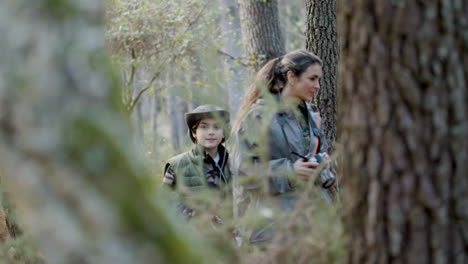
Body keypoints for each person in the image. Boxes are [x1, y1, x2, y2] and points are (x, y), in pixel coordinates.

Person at [231, 50, 337, 243]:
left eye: (319, 80)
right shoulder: (258, 116)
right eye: (312, 79)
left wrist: (321, 165)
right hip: (271, 231)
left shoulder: (313, 116)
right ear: (291, 77)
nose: (317, 86)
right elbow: (243, 172)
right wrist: (290, 171)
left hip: (313, 227)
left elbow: (317, 154)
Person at [163, 104, 232, 220]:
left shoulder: (235, 164)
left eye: (217, 127)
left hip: (231, 236)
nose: (211, 132)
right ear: (194, 133)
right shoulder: (177, 165)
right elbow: (164, 207)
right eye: (204, 127)